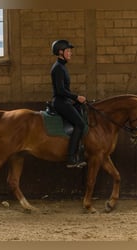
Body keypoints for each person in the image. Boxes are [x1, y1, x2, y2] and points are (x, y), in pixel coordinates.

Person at [50, 39, 87, 168]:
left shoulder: (62, 67)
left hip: (64, 100)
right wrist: (76, 97)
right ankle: (71, 157)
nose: (70, 53)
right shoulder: (58, 68)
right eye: (68, 51)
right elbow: (60, 90)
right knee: (80, 124)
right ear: (61, 52)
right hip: (60, 102)